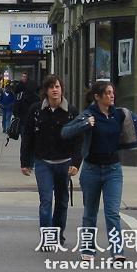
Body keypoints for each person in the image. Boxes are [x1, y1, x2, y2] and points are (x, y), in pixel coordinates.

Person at [61, 81, 137, 261]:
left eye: (112, 92)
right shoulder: (89, 115)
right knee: (90, 213)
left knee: (112, 213)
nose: (112, 96)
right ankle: (88, 250)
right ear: (97, 97)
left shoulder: (120, 114)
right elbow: (65, 132)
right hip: (91, 170)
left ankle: (117, 251)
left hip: (113, 170)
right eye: (107, 93)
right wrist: (84, 125)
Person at [20, 75, 81, 246]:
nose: (55, 90)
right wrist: (25, 162)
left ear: (62, 89)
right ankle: (47, 237)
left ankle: (59, 234)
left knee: (62, 201)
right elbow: (28, 137)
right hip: (43, 162)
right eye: (51, 87)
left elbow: (79, 140)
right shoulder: (36, 110)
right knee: (46, 200)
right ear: (46, 91)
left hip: (65, 162)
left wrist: (76, 163)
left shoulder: (71, 112)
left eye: (58, 86)